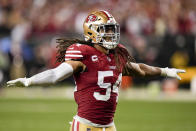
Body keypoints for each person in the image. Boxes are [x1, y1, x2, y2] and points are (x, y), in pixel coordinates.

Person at [7, 10, 185, 131]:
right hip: (85, 126)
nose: (111, 34)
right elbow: (55, 74)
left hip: (109, 126)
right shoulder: (83, 54)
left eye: (112, 30)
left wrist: (165, 71)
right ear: (92, 32)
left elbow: (139, 70)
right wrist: (29, 81)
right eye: (106, 30)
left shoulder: (117, 54)